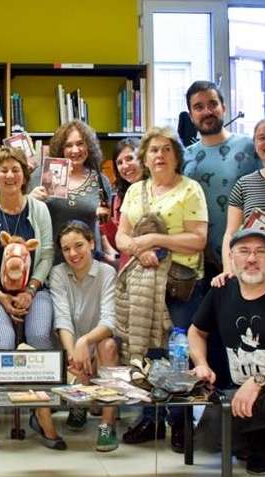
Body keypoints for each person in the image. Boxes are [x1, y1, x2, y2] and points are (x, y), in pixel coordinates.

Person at [115, 126, 208, 452]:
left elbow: (198, 240)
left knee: (177, 354)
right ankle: (149, 419)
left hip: (179, 286)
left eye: (166, 149)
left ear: (176, 155)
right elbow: (121, 236)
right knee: (144, 354)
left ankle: (180, 421)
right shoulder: (135, 191)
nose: (159, 155)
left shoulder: (190, 190)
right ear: (145, 157)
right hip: (142, 283)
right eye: (153, 150)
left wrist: (156, 239)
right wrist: (140, 249)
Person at [0, 146, 61, 456]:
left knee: (38, 336)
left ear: (25, 176)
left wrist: (30, 290)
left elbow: (46, 254)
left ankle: (42, 412)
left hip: (35, 290)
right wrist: (1, 296)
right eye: (3, 170)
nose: (10, 175)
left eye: (15, 170)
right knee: (3, 344)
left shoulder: (39, 210)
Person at [189, 229, 265, 477]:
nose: (251, 258)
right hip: (240, 394)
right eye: (244, 251)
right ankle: (257, 438)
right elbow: (196, 332)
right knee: (206, 440)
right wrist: (202, 362)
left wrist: (258, 381)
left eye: (261, 252)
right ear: (232, 256)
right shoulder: (221, 290)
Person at [50, 220, 119, 451]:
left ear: (91, 243)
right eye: (66, 248)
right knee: (70, 350)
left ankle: (107, 424)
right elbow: (62, 320)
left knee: (108, 345)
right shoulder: (58, 274)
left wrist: (86, 341)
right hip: (72, 348)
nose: (73, 253)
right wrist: (74, 354)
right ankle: (79, 404)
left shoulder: (107, 272)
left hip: (97, 343)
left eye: (79, 245)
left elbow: (109, 321)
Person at [182, 80, 259, 280]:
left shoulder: (250, 147)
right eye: (199, 107)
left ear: (223, 108)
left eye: (213, 104)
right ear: (191, 116)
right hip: (197, 264)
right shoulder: (184, 157)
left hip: (247, 258)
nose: (207, 111)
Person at [216, 114, 265, 286]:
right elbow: (230, 234)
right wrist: (228, 269)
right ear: (255, 145)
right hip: (257, 281)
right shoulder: (244, 185)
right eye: (262, 138)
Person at [29, 120, 113, 262]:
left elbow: (102, 225)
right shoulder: (42, 174)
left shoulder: (101, 181)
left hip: (89, 262)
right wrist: (30, 199)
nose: (75, 150)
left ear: (89, 146)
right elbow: (23, 214)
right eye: (68, 145)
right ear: (61, 149)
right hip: (51, 261)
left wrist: (108, 249)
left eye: (80, 143)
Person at [101, 138, 142, 266]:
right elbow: (118, 244)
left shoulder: (159, 188)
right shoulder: (120, 197)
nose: (124, 166)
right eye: (119, 162)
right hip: (129, 268)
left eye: (130, 158)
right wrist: (106, 221)